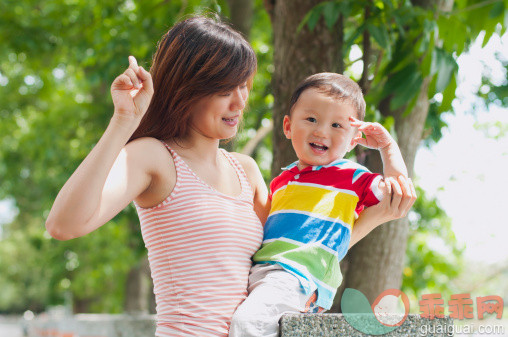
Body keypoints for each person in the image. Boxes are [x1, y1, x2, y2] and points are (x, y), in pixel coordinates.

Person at [45, 16, 415, 337]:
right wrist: (124, 122)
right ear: (187, 86)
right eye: (224, 89)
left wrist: (378, 216)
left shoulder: (247, 170)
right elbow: (64, 224)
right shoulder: (154, 156)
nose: (239, 102)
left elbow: (303, 249)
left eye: (244, 86)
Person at [229, 73, 417, 337]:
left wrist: (387, 147)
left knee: (248, 323)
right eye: (311, 119)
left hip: (299, 277)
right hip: (262, 272)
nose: (321, 131)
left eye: (337, 126)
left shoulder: (351, 176)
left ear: (354, 140)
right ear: (287, 126)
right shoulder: (282, 180)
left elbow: (397, 191)